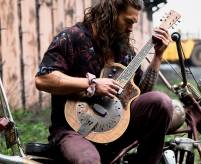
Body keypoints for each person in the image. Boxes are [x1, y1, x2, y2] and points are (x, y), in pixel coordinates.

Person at [35, 0, 173, 163]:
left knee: (161, 102)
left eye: (133, 23)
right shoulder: (73, 37)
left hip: (116, 128)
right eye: (128, 21)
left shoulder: (123, 49)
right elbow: (43, 79)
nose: (130, 28)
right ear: (111, 12)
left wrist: (157, 57)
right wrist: (91, 84)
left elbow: (141, 93)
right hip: (75, 130)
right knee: (88, 161)